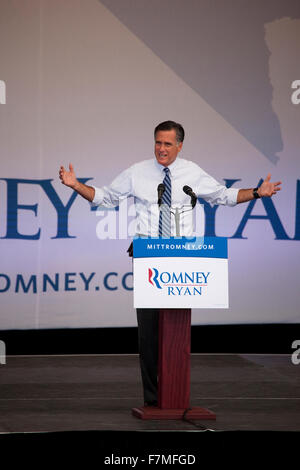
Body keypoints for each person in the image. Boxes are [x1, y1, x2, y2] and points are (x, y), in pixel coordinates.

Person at [59, 120, 282, 407]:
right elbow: (105, 197)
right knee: (149, 333)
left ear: (179, 145)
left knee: (176, 332)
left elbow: (223, 196)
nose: (161, 149)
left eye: (167, 144)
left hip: (183, 258)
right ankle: (153, 401)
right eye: (157, 142)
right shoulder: (137, 172)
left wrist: (256, 192)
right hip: (148, 255)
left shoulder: (192, 172)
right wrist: (75, 184)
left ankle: (176, 397)